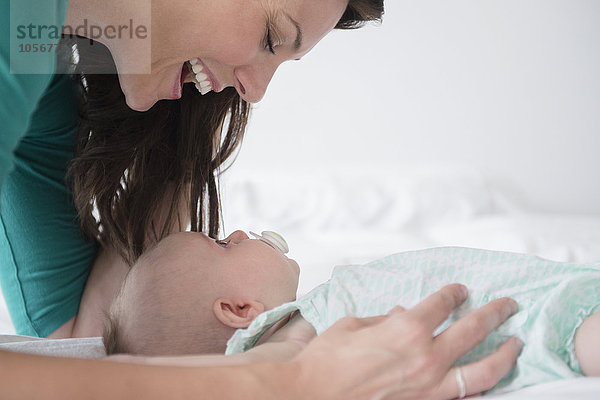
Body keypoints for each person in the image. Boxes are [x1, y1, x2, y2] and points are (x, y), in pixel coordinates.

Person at [0, 0, 524, 398]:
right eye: (272, 36)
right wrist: (289, 380)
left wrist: (184, 123)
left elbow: (89, 340)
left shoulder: (35, 47)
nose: (256, 91)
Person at [101, 229, 600, 395]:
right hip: (532, 327)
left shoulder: (303, 318)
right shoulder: (292, 344)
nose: (236, 233)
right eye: (221, 244)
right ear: (238, 309)